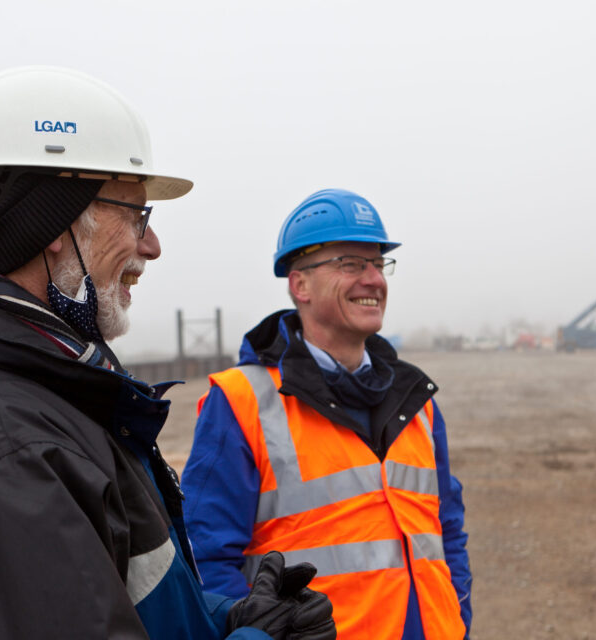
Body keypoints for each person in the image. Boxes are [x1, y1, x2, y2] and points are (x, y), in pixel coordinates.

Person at [0, 66, 335, 640]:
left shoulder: (42, 390)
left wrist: (228, 620)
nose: (151, 246)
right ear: (54, 223)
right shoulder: (1, 450)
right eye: (137, 215)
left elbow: (115, 602)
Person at [181, 189, 473, 639]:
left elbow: (447, 535)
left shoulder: (418, 402)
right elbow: (205, 563)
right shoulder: (242, 402)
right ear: (300, 285)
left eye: (378, 264)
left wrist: (460, 624)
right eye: (351, 264)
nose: (374, 279)